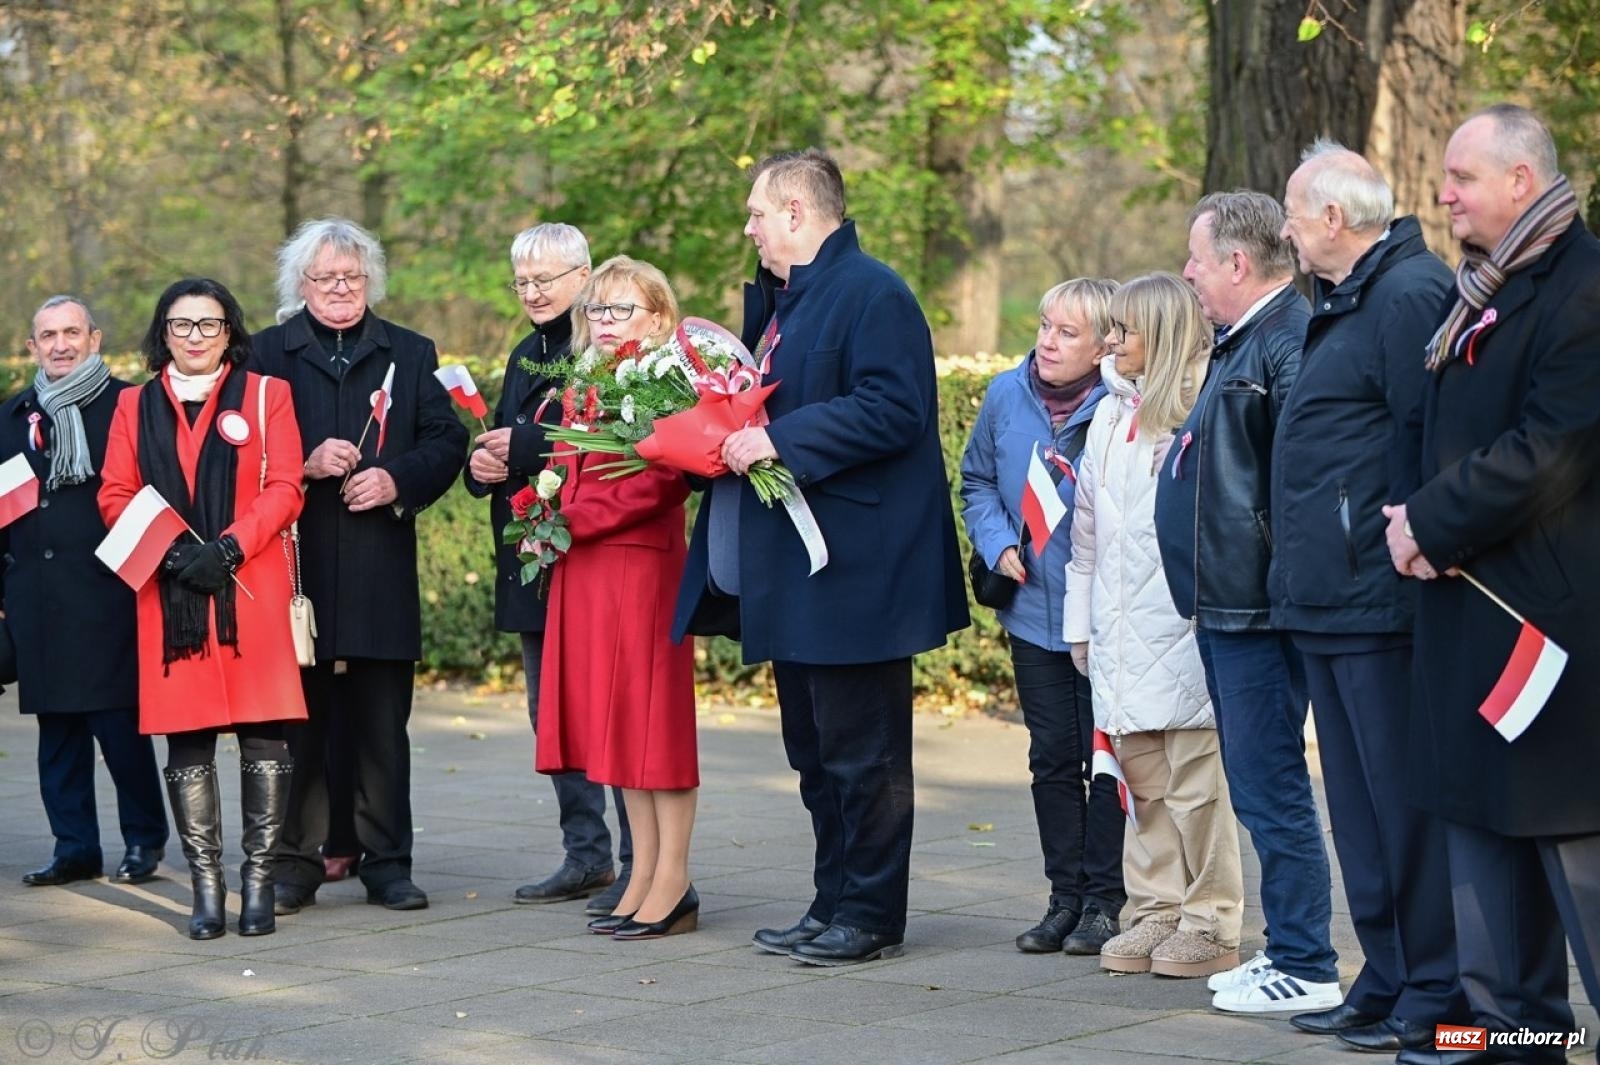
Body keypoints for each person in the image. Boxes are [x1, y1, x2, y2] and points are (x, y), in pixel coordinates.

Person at [676, 148, 970, 965]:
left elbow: (893, 409)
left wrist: (775, 439)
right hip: (803, 573)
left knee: (863, 754)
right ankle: (832, 899)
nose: (749, 227)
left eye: (757, 213)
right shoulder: (787, 305)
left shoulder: (873, 293)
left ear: (798, 213)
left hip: (857, 573)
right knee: (813, 754)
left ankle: (872, 914)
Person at [1383, 104, 1600, 1065]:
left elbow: (1552, 449)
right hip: (1461, 613)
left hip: (1546, 627)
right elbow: (1423, 429)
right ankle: (1507, 1039)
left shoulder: (1585, 288)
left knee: (1574, 856)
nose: (1443, 192)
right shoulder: (1477, 290)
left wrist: (1431, 522)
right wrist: (1406, 522)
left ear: (1522, 180)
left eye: (1461, 176)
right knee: (1478, 847)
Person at [1271, 142, 1464, 1053]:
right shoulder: (1344, 300)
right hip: (1327, 603)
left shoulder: (1407, 294)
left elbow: (1427, 442)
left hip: (1379, 603)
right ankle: (1385, 975)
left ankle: (1438, 989)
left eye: (1294, 214)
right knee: (1358, 810)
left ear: (1335, 221)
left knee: (1402, 808)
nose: (1285, 230)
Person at [1157, 191, 1341, 1013]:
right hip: (1232, 608)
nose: (1188, 272)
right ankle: (1291, 949)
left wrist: (1272, 590)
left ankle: (1304, 959)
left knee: (1271, 785)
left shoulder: (1285, 341)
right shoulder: (1244, 341)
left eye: (1197, 258)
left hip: (1259, 613)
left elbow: (1303, 481)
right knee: (1259, 781)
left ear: (1236, 263)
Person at [252, 218, 469, 914]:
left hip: (379, 565)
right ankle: (294, 862)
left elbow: (446, 439)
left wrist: (397, 479)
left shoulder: (410, 350)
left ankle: (388, 863)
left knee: (383, 724)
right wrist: (302, 464)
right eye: (325, 278)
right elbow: (239, 456)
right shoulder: (264, 356)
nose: (341, 288)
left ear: (370, 279)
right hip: (297, 573)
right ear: (300, 285)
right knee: (297, 723)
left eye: (352, 276)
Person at [97, 278, 307, 939]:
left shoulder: (269, 394)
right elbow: (114, 492)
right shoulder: (134, 404)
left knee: (263, 734)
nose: (195, 337)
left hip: (251, 587)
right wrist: (170, 555)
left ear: (230, 331)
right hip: (172, 597)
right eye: (181, 325)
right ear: (163, 333)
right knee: (187, 740)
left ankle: (259, 883)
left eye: (208, 325)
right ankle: (207, 886)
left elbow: (286, 485)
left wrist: (230, 546)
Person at [1065, 272, 1242, 979]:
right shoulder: (1108, 412)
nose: (1110, 342)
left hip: (1184, 626)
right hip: (1119, 628)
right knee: (1140, 782)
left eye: (1123, 330)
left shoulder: (1203, 406)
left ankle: (1212, 919)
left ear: (1162, 334)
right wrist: (1081, 627)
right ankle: (1157, 908)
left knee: (1199, 785)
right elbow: (1085, 530)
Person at [463, 223, 633, 914]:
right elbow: (508, 438)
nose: (533, 292)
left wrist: (524, 443)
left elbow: (620, 440)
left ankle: (637, 858)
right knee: (551, 712)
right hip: (533, 554)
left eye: (546, 279)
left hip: (591, 554)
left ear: (584, 275)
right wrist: (482, 466)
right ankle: (585, 853)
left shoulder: (608, 346)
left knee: (609, 711)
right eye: (523, 281)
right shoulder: (523, 352)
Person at [959, 279, 1127, 956]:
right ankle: (1063, 897)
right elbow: (974, 478)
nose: (1047, 342)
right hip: (1031, 611)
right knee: (1052, 757)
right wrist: (997, 539)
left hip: (1103, 618)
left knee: (1106, 758)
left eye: (1067, 332)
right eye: (1045, 325)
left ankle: (1105, 900)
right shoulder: (1006, 394)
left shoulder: (1123, 404)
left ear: (1102, 345)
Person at [535, 256, 699, 940]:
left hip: (640, 570)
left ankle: (675, 878)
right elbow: (563, 469)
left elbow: (664, 481)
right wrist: (540, 511)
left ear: (659, 316)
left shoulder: (668, 382)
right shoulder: (584, 381)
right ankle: (642, 874)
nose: (604, 323)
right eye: (596, 310)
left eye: (621, 309)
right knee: (615, 723)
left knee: (654, 723)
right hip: (588, 570)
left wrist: (571, 519)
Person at [2, 296, 167, 888]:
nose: (60, 344)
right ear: (32, 347)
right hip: (37, 602)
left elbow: (158, 493)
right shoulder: (14, 413)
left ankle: (145, 839)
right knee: (58, 736)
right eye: (48, 335)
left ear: (95, 339)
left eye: (72, 332)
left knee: (119, 730)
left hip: (107, 597)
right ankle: (74, 846)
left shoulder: (132, 404)